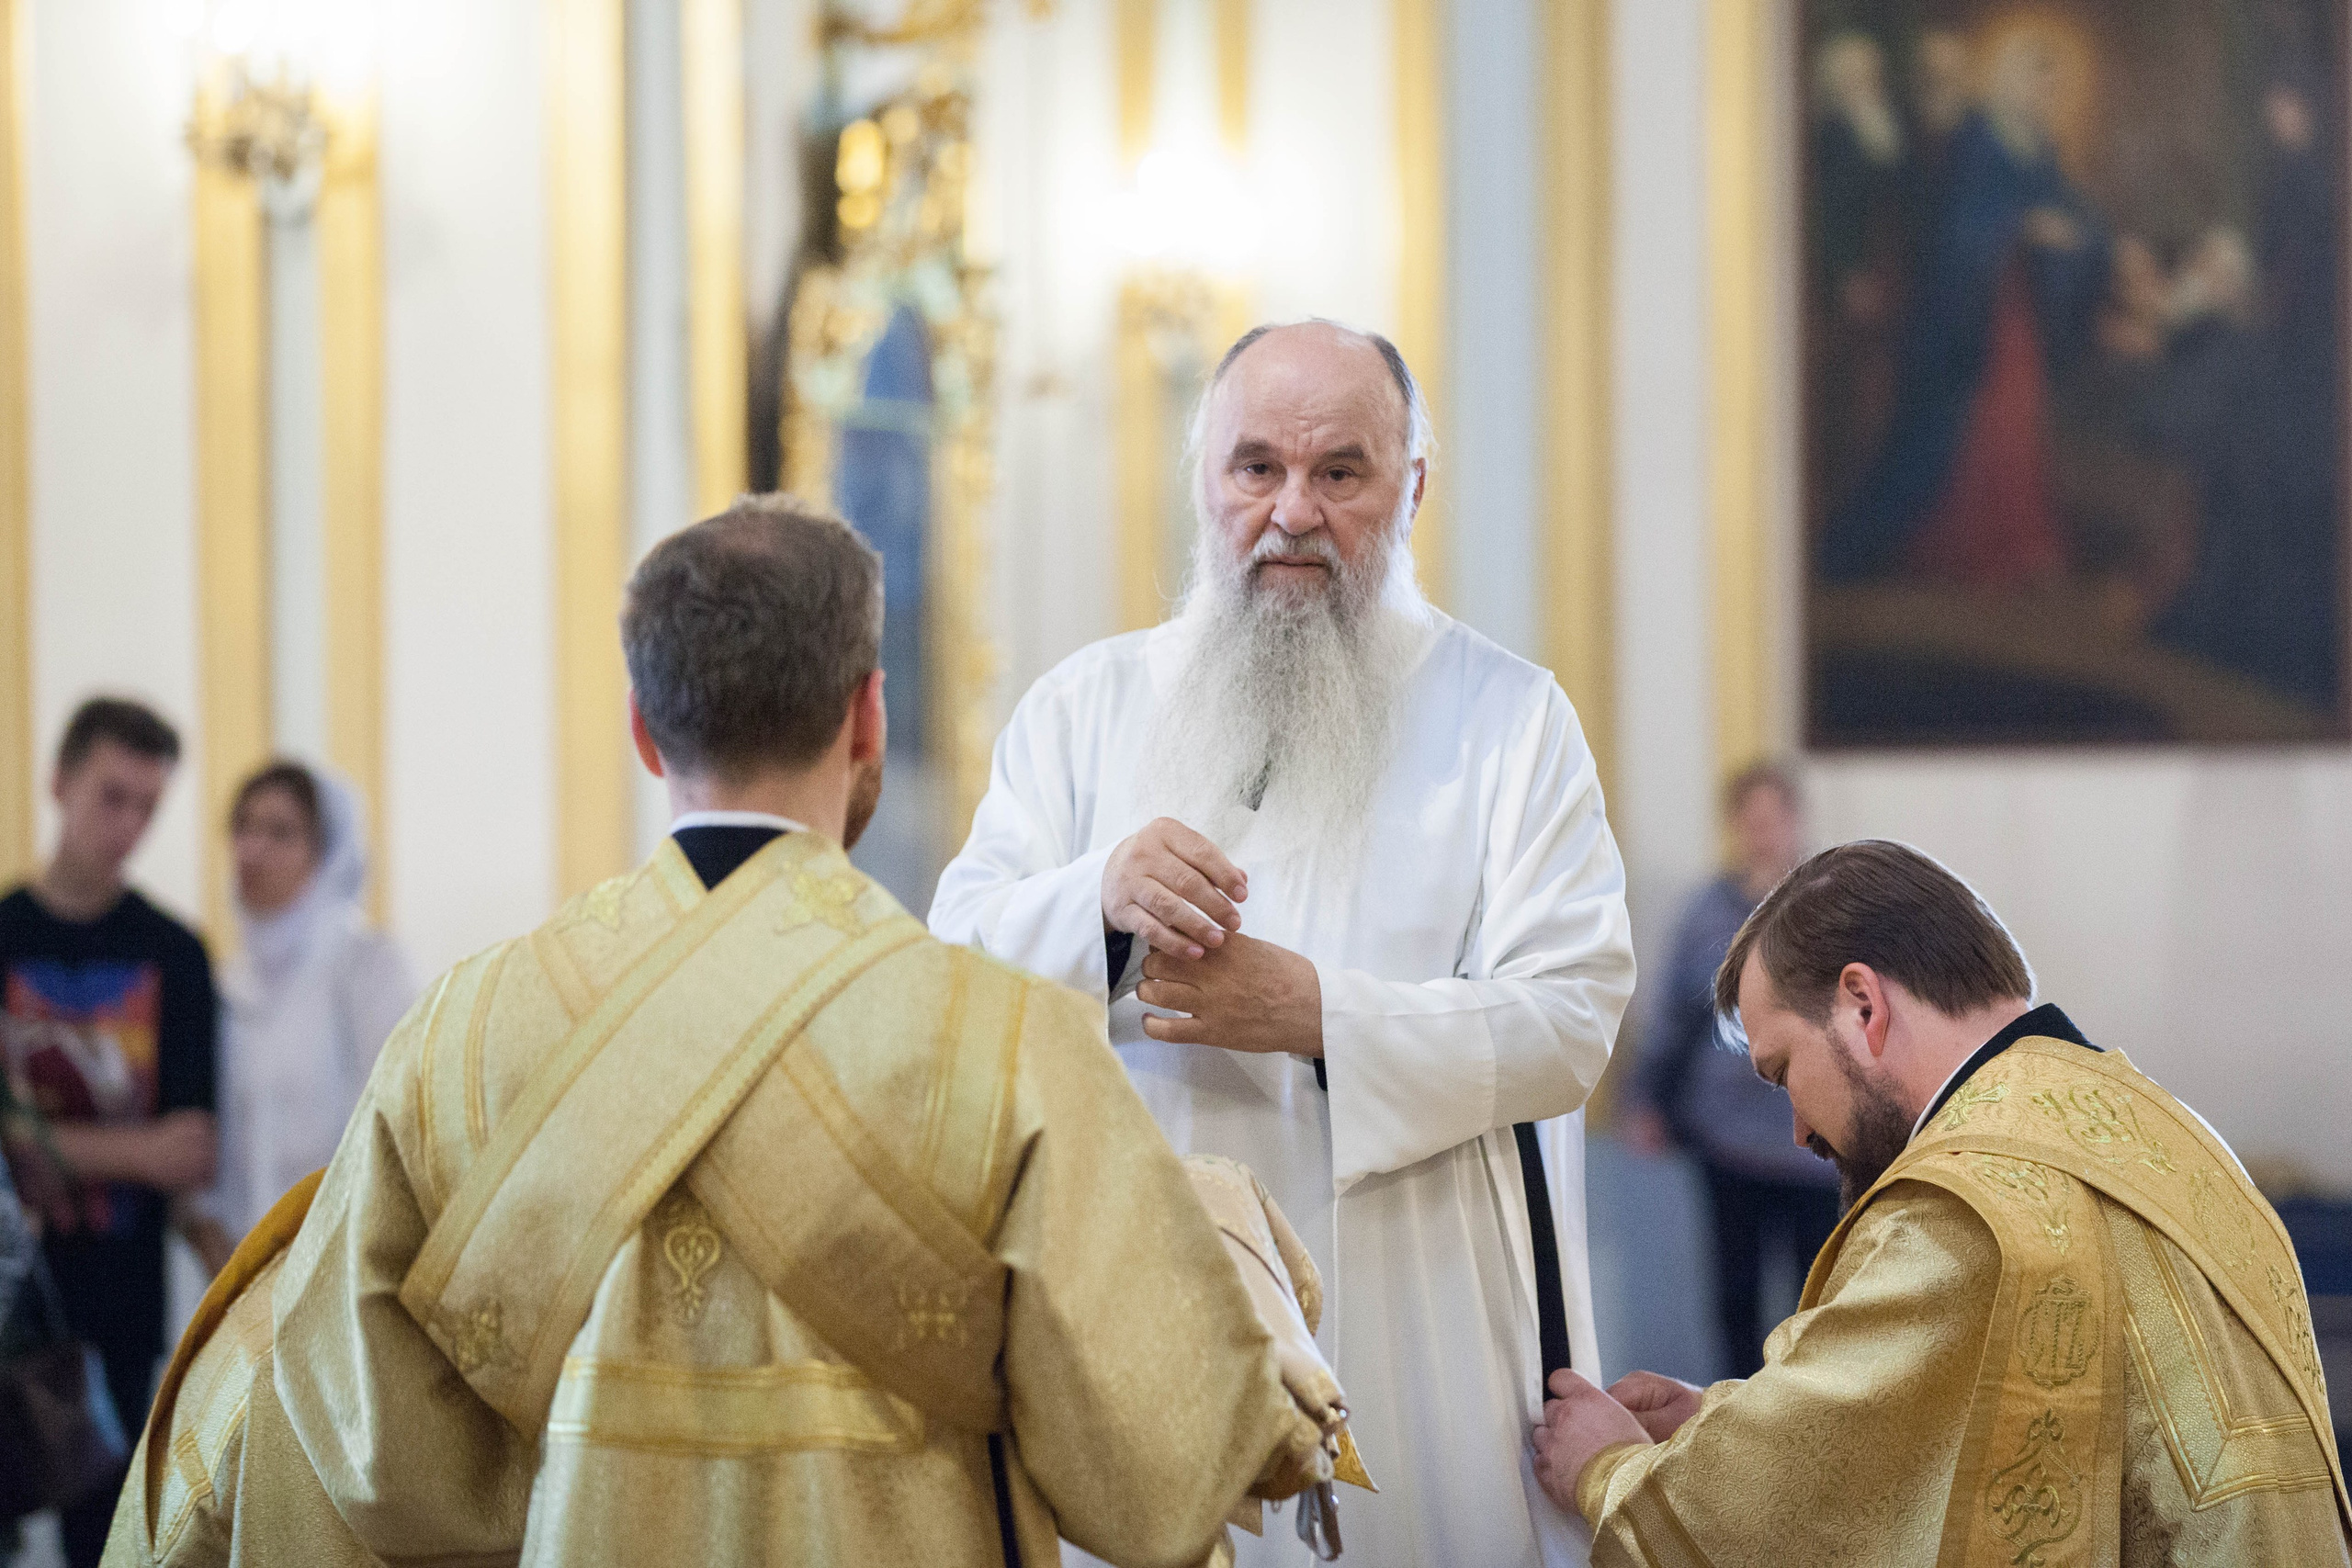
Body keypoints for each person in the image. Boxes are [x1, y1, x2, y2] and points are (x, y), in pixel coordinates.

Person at [101, 496, 1339, 1568]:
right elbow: (1158, 1465)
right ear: (867, 720)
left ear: (645, 728)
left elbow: (369, 1437)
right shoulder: (1002, 1040)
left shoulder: (465, 1029)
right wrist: (1226, 1249)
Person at [932, 319, 1636, 1567]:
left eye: (1341, 472)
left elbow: (1573, 1013)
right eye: (1256, 467)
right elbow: (952, 979)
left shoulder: (1508, 720)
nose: (1292, 510)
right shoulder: (1082, 710)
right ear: (1203, 480)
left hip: (1412, 1324)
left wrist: (1322, 1014)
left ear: (1412, 487)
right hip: (1136, 1327)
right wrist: (1096, 899)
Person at [1534, 840, 2352, 1564]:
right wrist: (1722, 1425)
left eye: (1783, 1070)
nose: (1797, 1132)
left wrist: (1614, 1475)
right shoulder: (2176, 1135)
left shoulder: (1970, 1201)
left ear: (1863, 1004)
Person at [0, 698, 217, 1568]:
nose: (128, 825)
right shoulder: (6, 932)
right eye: (111, 796)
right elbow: (156, 1147)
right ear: (59, 782)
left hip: (117, 1311)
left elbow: (191, 1149)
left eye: (147, 806)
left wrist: (32, 1143)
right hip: (9, 1298)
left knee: (117, 1546)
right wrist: (133, 1150)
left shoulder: (173, 950)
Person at [1625, 761, 1837, 1378]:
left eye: (1774, 819)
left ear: (1795, 822)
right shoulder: (1707, 912)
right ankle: (1739, 1422)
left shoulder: (1832, 904)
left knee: (1817, 1300)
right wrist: (1646, 1099)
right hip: (1728, 1141)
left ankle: (1816, 1416)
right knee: (1735, 1295)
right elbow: (1672, 1011)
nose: (1763, 832)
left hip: (1815, 1145)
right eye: (1752, 820)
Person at [178, 762, 413, 1272]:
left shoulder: (365, 968)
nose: (253, 850)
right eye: (243, 828)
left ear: (326, 854)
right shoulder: (221, 986)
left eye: (280, 832)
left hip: (342, 1270)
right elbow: (203, 1170)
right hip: (237, 1278)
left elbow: (394, 1131)